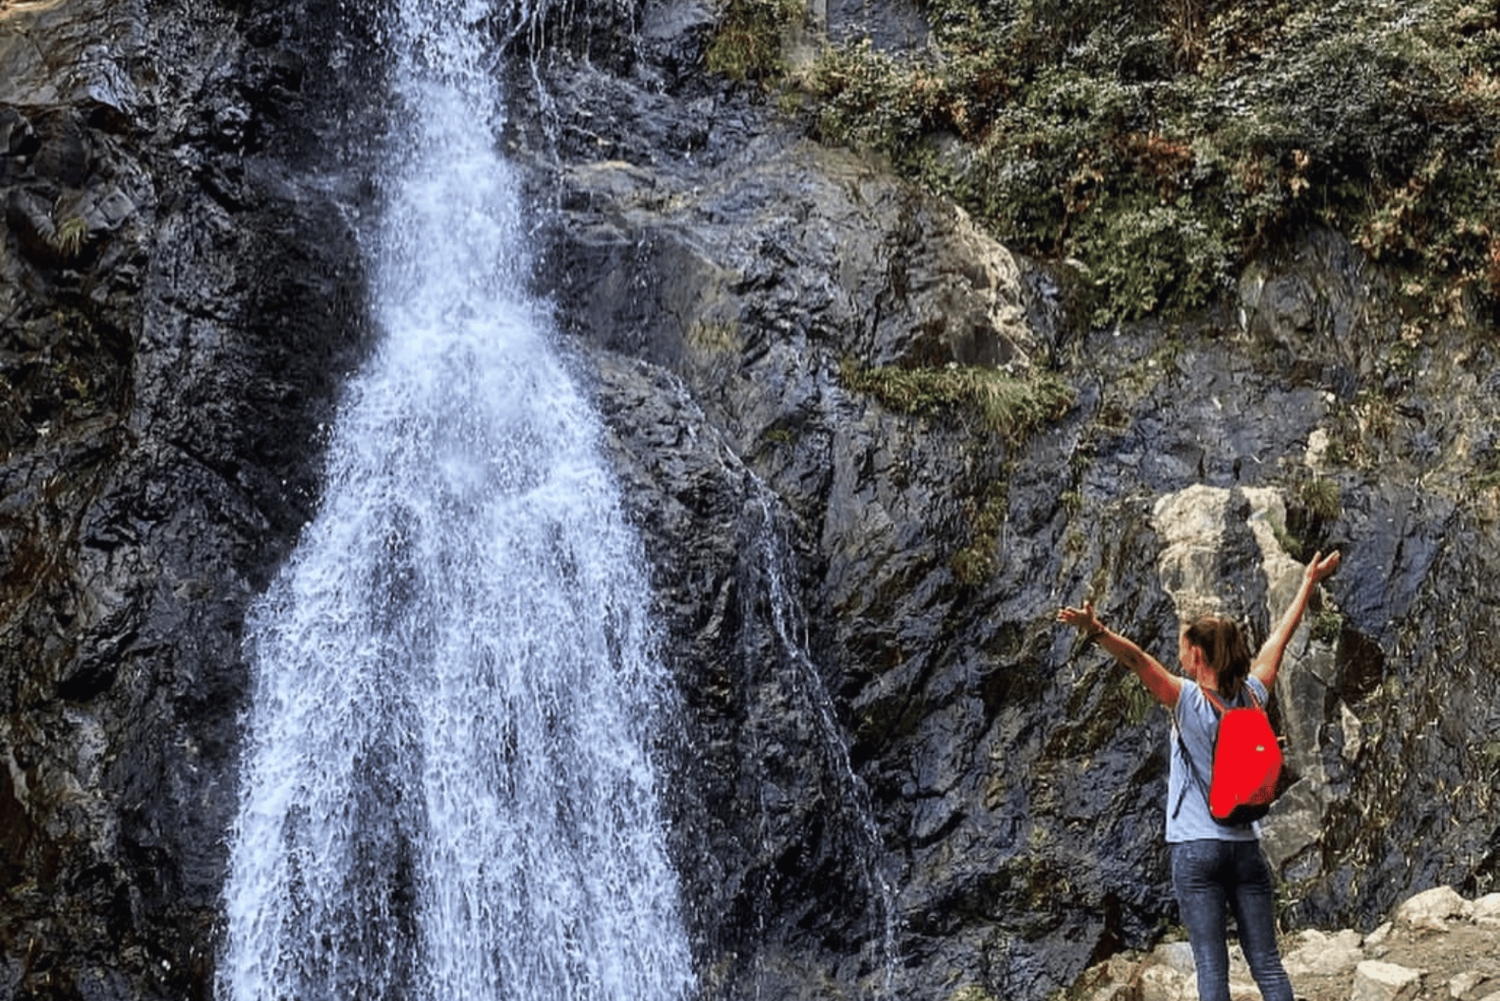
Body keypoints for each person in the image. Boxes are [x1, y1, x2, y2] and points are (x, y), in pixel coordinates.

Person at [1057, 550, 1341, 1001]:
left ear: (1196, 653)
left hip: (1196, 847)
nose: (1177, 652)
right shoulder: (1252, 693)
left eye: (1182, 645)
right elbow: (1278, 641)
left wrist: (1095, 630)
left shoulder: (1187, 699)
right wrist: (1308, 581)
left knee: (1212, 968)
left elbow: (1137, 662)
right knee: (1267, 964)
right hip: (1246, 846)